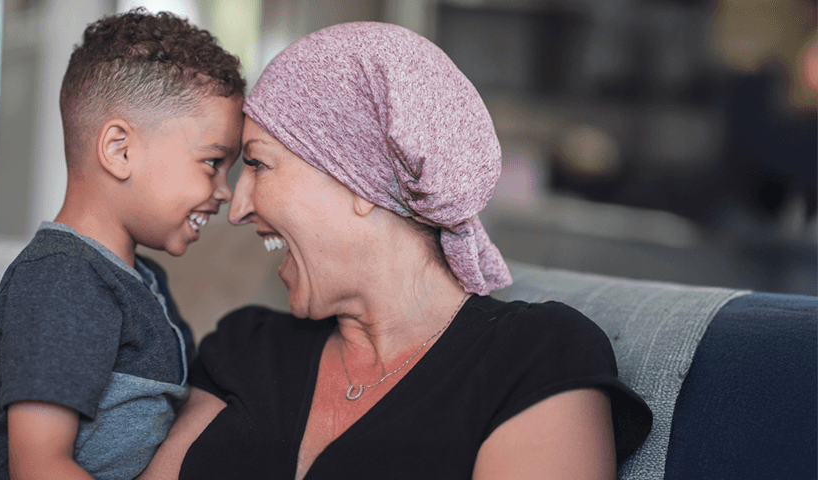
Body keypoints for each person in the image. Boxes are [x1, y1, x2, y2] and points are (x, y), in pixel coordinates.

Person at [139, 22, 651, 479]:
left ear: (359, 180)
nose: (237, 207)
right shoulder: (245, 345)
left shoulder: (536, 355)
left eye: (258, 164)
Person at [0, 9, 245, 480]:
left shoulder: (145, 282)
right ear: (120, 150)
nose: (226, 190)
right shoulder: (63, 279)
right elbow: (40, 467)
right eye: (212, 163)